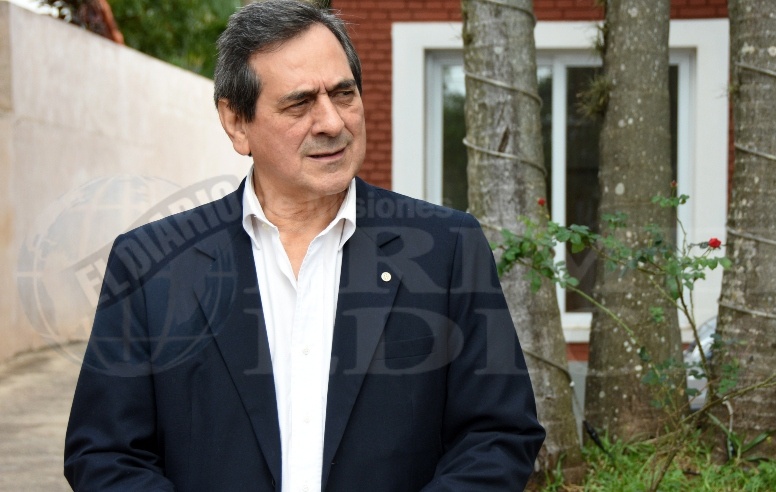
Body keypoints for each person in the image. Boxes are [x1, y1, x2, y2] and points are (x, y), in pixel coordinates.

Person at [63, 1, 545, 490]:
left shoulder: (447, 249)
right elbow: (104, 454)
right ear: (236, 122)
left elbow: (499, 435)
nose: (332, 122)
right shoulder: (151, 266)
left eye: (343, 94)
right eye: (299, 103)